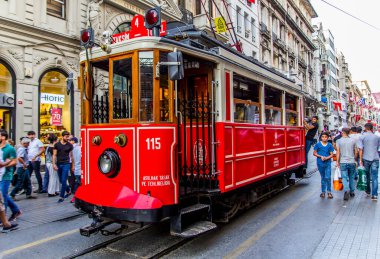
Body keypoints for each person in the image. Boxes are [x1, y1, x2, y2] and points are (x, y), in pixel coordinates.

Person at [0, 130, 22, 222]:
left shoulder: (10, 148)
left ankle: (2, 219)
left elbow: (14, 161)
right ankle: (16, 210)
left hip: (6, 175)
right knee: (3, 194)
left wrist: (4, 165)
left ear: (3, 137)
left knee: (3, 195)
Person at [358, 123, 380, 201]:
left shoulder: (362, 137)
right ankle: (374, 195)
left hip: (365, 158)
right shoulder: (377, 137)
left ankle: (368, 191)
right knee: (375, 177)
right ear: (371, 128)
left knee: (367, 175)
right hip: (375, 158)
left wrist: (360, 160)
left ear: (365, 128)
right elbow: (377, 148)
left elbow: (360, 149)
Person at [336, 128, 358, 201]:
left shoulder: (338, 141)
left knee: (344, 177)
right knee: (351, 177)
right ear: (349, 132)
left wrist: (337, 162)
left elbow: (338, 152)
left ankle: (346, 189)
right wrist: (354, 159)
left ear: (342, 132)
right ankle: (352, 192)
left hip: (343, 161)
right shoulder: (353, 140)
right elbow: (356, 151)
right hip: (352, 161)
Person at [53, 131, 74, 203]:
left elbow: (71, 156)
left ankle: (61, 196)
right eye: (66, 137)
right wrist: (54, 164)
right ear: (62, 136)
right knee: (61, 181)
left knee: (64, 180)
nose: (67, 138)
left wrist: (73, 165)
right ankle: (68, 191)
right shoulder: (57, 145)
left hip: (66, 164)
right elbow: (54, 155)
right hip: (59, 163)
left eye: (68, 137)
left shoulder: (70, 145)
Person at [313, 132, 335, 199]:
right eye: (323, 137)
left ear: (328, 138)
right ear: (321, 137)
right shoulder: (318, 144)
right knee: (323, 177)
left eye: (325, 137)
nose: (324, 138)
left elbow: (332, 154)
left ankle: (329, 192)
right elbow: (314, 153)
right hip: (320, 163)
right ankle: (323, 192)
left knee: (328, 177)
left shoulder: (330, 145)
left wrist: (326, 158)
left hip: (327, 163)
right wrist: (321, 156)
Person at [69, 137, 81, 203]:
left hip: (76, 169)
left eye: (70, 140)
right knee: (80, 184)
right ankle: (75, 197)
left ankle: (75, 197)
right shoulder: (80, 149)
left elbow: (72, 158)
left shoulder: (73, 149)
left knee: (78, 183)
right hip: (79, 169)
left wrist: (73, 166)